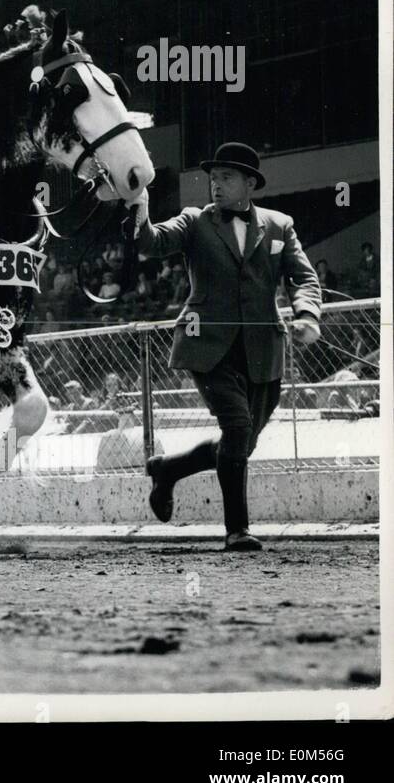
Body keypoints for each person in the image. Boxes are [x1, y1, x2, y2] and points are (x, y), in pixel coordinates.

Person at [133, 142, 321, 551]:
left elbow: (302, 278)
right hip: (207, 346)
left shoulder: (279, 225)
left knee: (242, 442)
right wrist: (137, 204)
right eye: (213, 178)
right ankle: (237, 529)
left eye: (226, 177)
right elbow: (150, 241)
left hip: (262, 350)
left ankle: (167, 471)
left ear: (249, 183)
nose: (215, 185)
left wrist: (307, 314)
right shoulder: (194, 221)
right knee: (236, 428)